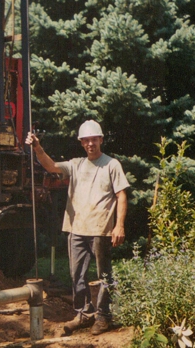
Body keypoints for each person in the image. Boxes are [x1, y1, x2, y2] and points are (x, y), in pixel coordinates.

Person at [26, 120, 129, 335]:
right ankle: (83, 314)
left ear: (100, 139)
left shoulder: (111, 164)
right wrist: (37, 147)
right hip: (76, 229)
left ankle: (103, 316)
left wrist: (119, 225)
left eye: (94, 139)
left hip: (101, 229)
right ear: (81, 143)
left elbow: (121, 195)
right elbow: (51, 166)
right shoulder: (76, 164)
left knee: (104, 275)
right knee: (77, 275)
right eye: (86, 140)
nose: (90, 143)